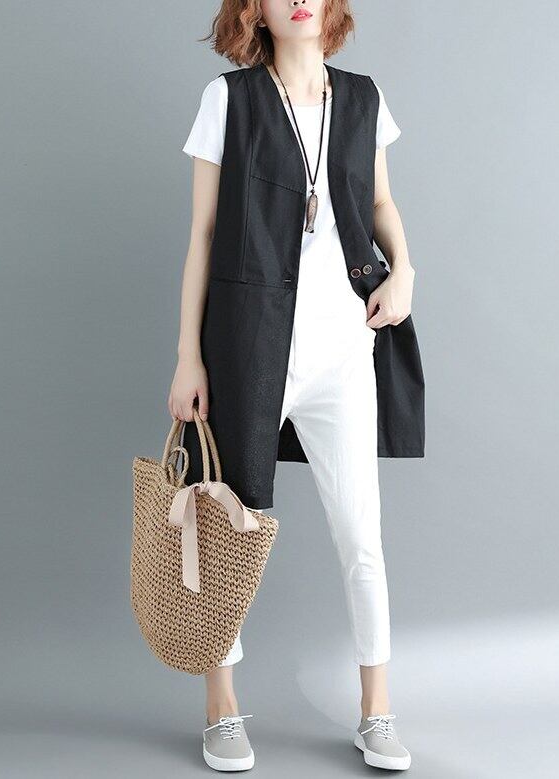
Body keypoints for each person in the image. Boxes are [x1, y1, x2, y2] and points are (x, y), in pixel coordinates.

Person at [169, 0, 424, 771]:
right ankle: (221, 708)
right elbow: (203, 235)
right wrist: (187, 356)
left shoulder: (363, 98)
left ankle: (376, 710)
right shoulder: (229, 99)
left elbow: (378, 202)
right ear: (254, 9)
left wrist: (404, 270)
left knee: (361, 536)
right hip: (248, 345)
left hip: (343, 347)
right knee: (226, 530)